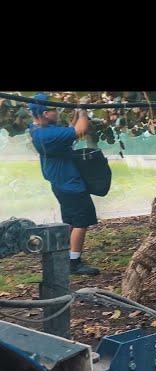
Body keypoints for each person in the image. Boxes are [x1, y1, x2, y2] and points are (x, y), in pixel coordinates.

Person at [28, 93, 100, 275]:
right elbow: (80, 130)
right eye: (54, 109)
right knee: (81, 221)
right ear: (45, 113)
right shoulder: (47, 134)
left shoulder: (39, 129)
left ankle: (63, 256)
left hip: (61, 182)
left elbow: (69, 131)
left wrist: (77, 112)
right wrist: (83, 112)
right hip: (70, 184)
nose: (58, 112)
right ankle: (74, 263)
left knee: (70, 221)